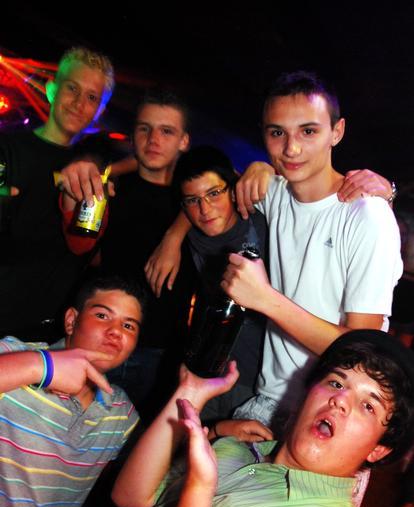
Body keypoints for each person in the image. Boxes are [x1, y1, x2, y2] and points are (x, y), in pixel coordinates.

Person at [74, 329, 414, 507]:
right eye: (337, 383)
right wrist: (190, 394)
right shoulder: (237, 450)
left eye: (368, 406)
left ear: (379, 449)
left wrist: (199, 488)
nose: (340, 400)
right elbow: (131, 496)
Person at [219, 71, 402, 426]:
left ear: (337, 131)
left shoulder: (368, 216)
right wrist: (254, 168)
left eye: (308, 131)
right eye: (277, 133)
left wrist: (264, 298)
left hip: (328, 413)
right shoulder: (274, 192)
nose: (292, 148)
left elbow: (361, 350)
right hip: (266, 402)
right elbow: (205, 193)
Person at [0, 274, 144, 507]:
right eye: (103, 315)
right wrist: (42, 368)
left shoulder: (119, 411)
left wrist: (215, 430)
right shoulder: (16, 356)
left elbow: (138, 491)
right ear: (71, 320)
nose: (115, 332)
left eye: (128, 325)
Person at [60, 90, 195, 420]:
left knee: (132, 441)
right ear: (133, 134)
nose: (153, 140)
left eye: (167, 131)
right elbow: (79, 248)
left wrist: (174, 235)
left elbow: (229, 188)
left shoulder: (196, 201)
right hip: (99, 339)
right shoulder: (109, 188)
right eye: (144, 128)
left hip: (160, 351)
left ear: (184, 141)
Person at [0, 47, 115, 342]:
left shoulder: (96, 172)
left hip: (48, 334)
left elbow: (84, 249)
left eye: (92, 97)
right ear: (52, 90)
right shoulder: (7, 149)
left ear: (100, 111)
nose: (79, 103)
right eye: (72, 88)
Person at [171, 145, 267, 425]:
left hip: (257, 382)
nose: (205, 209)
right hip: (206, 371)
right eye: (193, 200)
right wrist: (172, 237)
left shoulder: (264, 223)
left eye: (214, 194)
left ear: (233, 190)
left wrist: (263, 167)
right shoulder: (191, 236)